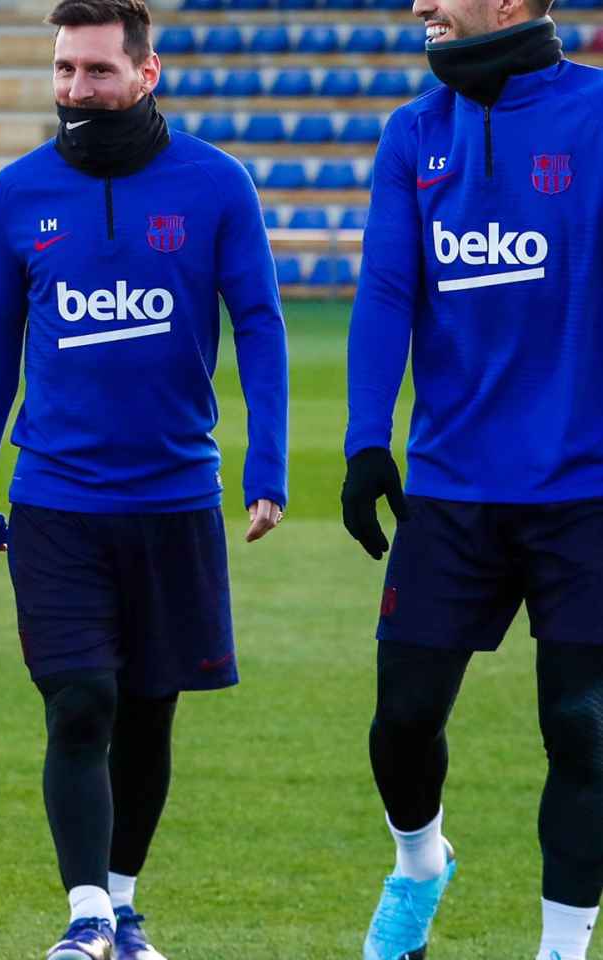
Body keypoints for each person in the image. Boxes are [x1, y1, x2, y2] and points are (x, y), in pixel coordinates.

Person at [0, 0, 288, 955]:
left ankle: (125, 906)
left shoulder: (218, 186)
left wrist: (266, 461)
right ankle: (87, 916)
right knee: (81, 701)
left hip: (176, 500)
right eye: (63, 70)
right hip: (57, 500)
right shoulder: (15, 194)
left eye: (97, 71)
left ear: (147, 73)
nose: (75, 89)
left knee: (148, 712)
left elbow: (260, 325)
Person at [343, 0, 603, 956]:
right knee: (401, 725)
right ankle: (420, 861)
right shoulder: (415, 132)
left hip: (587, 494)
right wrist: (369, 439)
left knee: (583, 731)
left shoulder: (597, 117)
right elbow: (384, 290)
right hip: (450, 490)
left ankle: (562, 948)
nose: (421, 5)